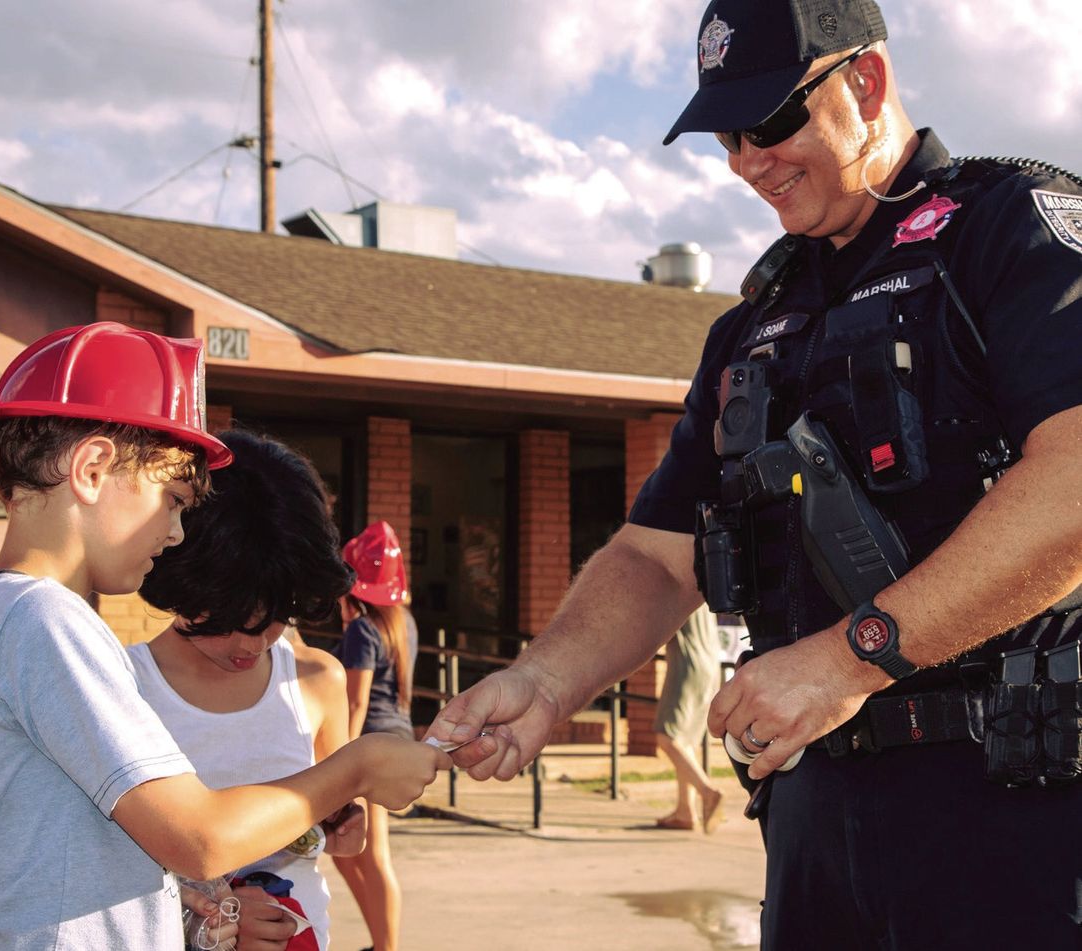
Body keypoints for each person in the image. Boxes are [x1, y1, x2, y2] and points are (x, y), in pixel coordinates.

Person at [427, 1, 1082, 948]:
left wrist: (847, 659)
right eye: (725, 134)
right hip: (817, 823)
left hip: (1013, 807)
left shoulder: (1005, 228)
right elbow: (657, 557)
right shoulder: (754, 325)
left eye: (772, 121)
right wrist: (546, 680)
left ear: (866, 82)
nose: (746, 160)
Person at [0, 322, 450, 950]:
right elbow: (201, 839)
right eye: (174, 498)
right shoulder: (49, 623)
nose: (178, 532)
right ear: (93, 468)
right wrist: (357, 768)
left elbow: (67, 864)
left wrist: (197, 914)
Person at [131, 428, 365, 951]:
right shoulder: (126, 690)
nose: (251, 644)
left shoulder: (316, 681)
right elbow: (106, 870)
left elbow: (334, 822)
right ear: (180, 579)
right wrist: (222, 916)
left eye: (275, 619)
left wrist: (345, 825)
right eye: (226, 620)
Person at [331, 520, 418, 951]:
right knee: (351, 854)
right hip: (398, 739)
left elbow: (355, 701)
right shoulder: (404, 624)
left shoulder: (361, 630)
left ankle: (387, 946)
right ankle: (381, 942)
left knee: (372, 854)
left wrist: (339, 761)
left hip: (369, 746)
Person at [651, 607, 724, 833]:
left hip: (688, 663)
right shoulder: (702, 585)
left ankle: (708, 792)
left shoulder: (676, 581)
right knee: (687, 741)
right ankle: (685, 812)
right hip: (711, 665)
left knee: (667, 736)